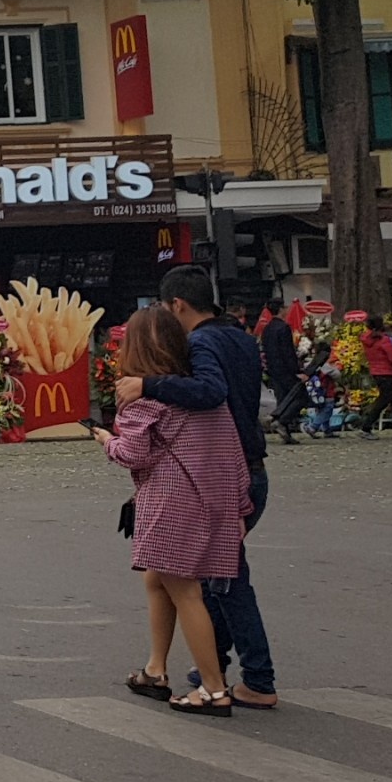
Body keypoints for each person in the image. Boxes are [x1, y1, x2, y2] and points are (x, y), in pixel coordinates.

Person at [122, 265, 278, 708]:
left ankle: (249, 679)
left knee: (220, 582)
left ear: (177, 306)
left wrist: (148, 384)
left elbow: (210, 392)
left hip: (219, 474)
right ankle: (206, 669)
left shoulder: (202, 343)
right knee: (212, 578)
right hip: (246, 466)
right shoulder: (243, 339)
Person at [105, 305, 249, 716]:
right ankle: (155, 668)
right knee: (158, 579)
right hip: (213, 498)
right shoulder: (204, 396)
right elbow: (233, 451)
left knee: (186, 591)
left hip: (171, 502)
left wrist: (105, 442)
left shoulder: (142, 399)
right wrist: (241, 505)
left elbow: (133, 453)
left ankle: (213, 687)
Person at [261, 310, 304, 443]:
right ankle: (280, 420)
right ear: (281, 310)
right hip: (286, 370)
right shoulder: (283, 328)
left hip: (274, 370)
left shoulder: (267, 328)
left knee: (282, 399)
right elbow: (288, 351)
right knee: (300, 396)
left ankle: (285, 431)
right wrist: (296, 370)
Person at [363, 315, 392, 435]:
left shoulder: (367, 339)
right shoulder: (384, 340)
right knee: (384, 400)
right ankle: (366, 426)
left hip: (376, 371)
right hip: (387, 372)